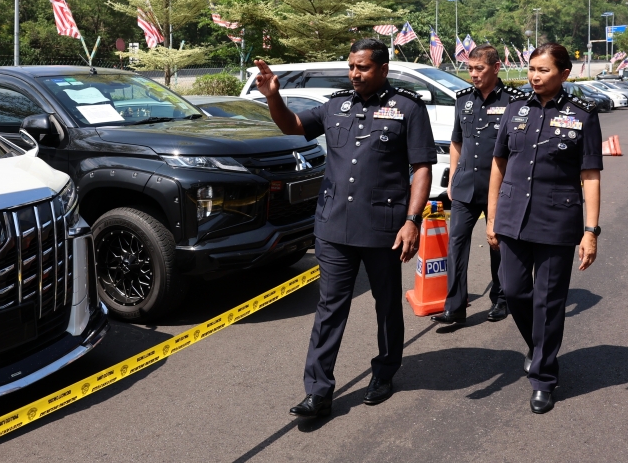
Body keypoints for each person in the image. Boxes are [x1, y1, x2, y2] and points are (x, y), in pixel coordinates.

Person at [253, 39, 437, 418]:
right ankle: (318, 391)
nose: (355, 74)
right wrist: (274, 97)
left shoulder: (408, 108)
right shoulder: (336, 105)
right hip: (334, 226)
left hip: (384, 229)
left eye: (363, 67)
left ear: (383, 69)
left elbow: (421, 168)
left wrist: (412, 221)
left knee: (387, 304)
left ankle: (385, 370)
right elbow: (293, 126)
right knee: (329, 307)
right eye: (351, 66)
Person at [487, 43, 602, 414]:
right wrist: (491, 216)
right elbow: (499, 164)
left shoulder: (583, 114)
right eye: (532, 69)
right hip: (512, 218)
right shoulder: (515, 109)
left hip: (556, 221)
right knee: (514, 292)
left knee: (549, 301)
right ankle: (538, 347)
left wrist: (590, 231)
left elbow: (590, 175)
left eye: (544, 70)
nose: (535, 76)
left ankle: (544, 378)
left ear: (564, 73)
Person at [431, 45, 523, 326]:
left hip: (500, 188)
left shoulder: (514, 101)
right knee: (456, 245)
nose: (473, 74)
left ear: (495, 68)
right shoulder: (463, 100)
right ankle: (455, 306)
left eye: (479, 68)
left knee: (497, 244)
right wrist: (453, 178)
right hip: (465, 187)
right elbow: (456, 142)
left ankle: (501, 299)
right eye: (470, 68)